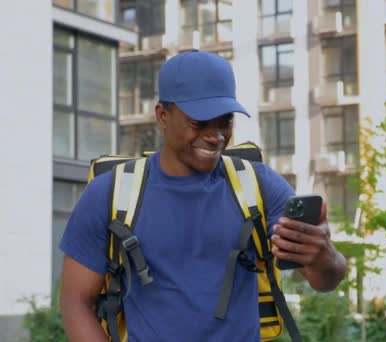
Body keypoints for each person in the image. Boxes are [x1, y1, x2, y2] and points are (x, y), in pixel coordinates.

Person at [59, 50, 347, 341]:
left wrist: (324, 257)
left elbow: (324, 280)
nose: (216, 135)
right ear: (162, 115)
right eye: (199, 123)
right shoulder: (110, 194)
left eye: (225, 122)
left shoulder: (259, 185)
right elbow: (76, 301)